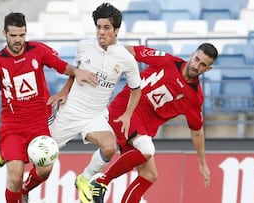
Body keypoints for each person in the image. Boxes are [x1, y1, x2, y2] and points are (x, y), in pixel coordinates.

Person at [0, 12, 97, 203]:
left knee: (45, 170)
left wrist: (76, 72)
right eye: (13, 35)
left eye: (21, 35)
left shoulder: (37, 50)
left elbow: (62, 66)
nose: (18, 40)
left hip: (39, 123)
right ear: (4, 34)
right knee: (14, 175)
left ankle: (25, 189)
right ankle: (15, 182)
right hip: (13, 126)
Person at [90, 43, 218, 203]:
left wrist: (202, 163)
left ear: (208, 69)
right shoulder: (167, 61)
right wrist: (108, 65)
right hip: (127, 109)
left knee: (149, 175)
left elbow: (197, 131)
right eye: (196, 59)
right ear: (192, 54)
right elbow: (132, 51)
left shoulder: (194, 97)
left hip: (144, 127)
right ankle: (100, 182)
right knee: (146, 149)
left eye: (203, 65)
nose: (196, 65)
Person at [47, 3, 141, 203]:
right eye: (98, 27)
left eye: (106, 28)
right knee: (42, 153)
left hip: (95, 115)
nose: (101, 32)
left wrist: (128, 114)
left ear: (116, 30)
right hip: (70, 111)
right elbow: (75, 72)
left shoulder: (125, 59)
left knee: (109, 147)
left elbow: (136, 90)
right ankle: (17, 170)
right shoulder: (84, 46)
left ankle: (84, 178)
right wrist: (64, 91)